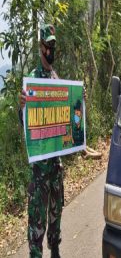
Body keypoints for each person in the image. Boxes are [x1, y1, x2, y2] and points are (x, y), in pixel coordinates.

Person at [19, 24, 63, 258]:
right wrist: (22, 108)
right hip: (40, 168)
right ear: (41, 47)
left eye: (54, 46)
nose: (51, 50)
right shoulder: (33, 80)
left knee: (56, 213)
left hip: (55, 164)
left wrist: (79, 100)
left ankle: (55, 248)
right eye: (48, 46)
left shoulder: (56, 78)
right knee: (37, 220)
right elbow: (24, 122)